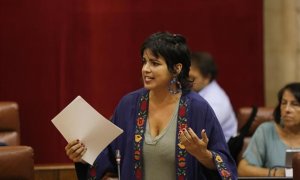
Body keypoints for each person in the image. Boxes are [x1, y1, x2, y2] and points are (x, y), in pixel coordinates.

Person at [65, 32, 237, 180]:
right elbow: (108, 157)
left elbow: (225, 166)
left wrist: (203, 155)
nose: (145, 69)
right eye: (144, 61)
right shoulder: (128, 105)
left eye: (155, 63)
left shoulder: (198, 108)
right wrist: (82, 157)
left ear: (177, 69)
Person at [238, 82, 300, 177]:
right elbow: (242, 169)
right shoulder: (266, 131)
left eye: (294, 104)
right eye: (283, 103)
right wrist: (276, 173)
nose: (287, 109)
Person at [188, 52, 237, 142]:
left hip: (219, 151)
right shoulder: (196, 92)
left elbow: (199, 134)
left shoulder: (216, 101)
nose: (188, 81)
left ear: (207, 78)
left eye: (192, 78)